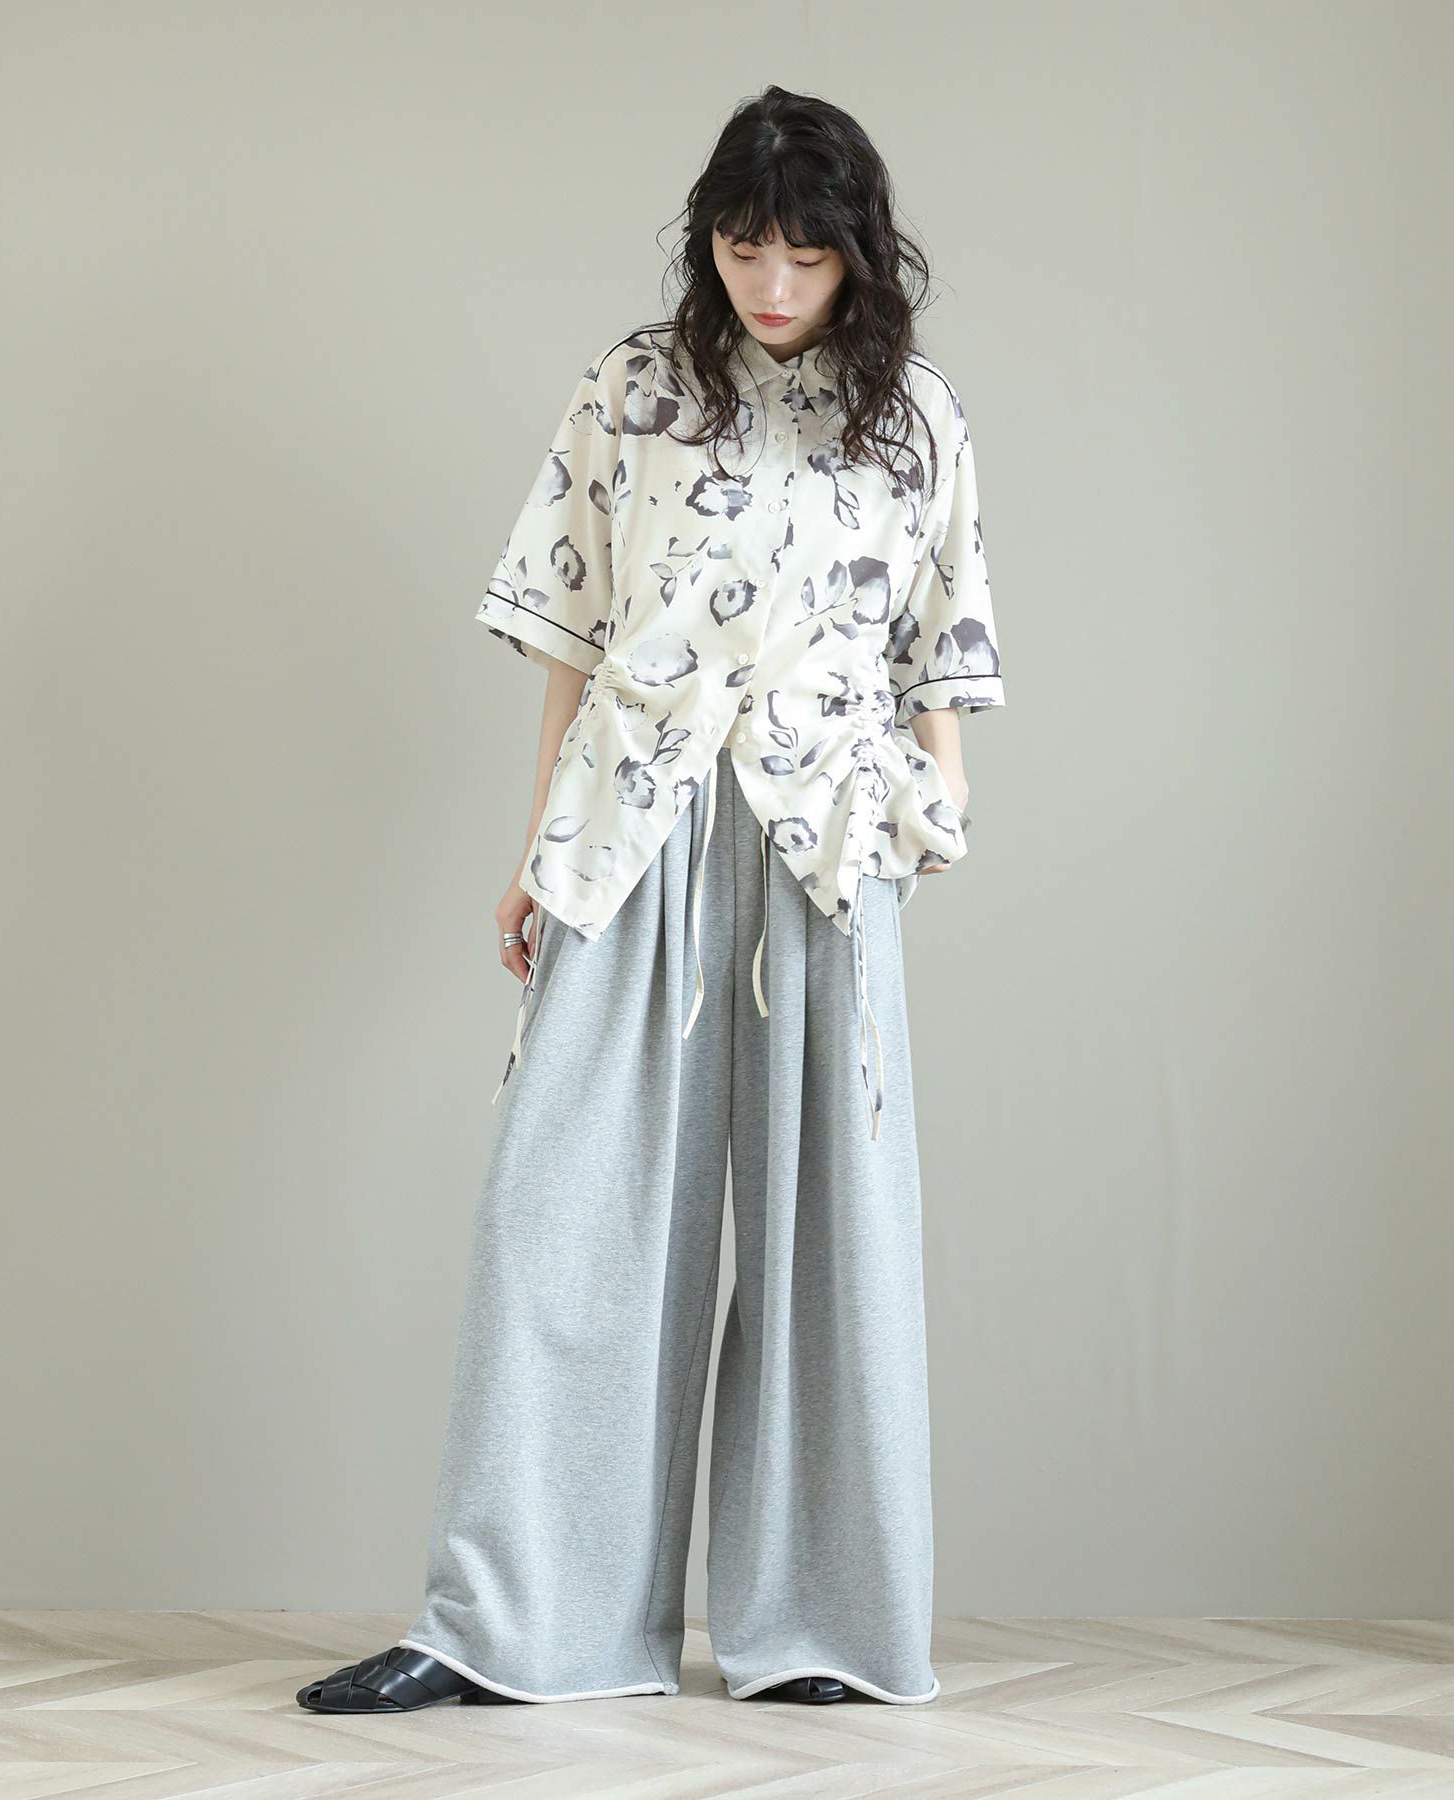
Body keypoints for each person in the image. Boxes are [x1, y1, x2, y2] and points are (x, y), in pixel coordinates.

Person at [297, 82, 1004, 1716]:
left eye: (806, 254)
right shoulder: (634, 388)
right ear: (709, 243)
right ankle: (507, 1625)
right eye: (745, 248)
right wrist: (537, 843)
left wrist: (944, 797)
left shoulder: (915, 416)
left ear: (857, 254)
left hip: (826, 832)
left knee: (834, 1235)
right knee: (564, 1216)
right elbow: (572, 621)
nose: (773, 283)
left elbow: (942, 629)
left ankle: (820, 1628)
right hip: (637, 814)